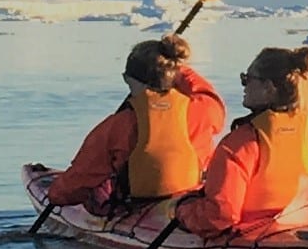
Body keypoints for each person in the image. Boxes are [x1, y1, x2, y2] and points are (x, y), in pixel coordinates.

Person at [184, 44, 308, 238]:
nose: (244, 87)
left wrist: (182, 210)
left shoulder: (239, 144)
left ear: (268, 88)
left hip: (255, 236)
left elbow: (219, 217)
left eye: (247, 79)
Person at [47, 32, 227, 214]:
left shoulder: (117, 125)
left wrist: (55, 195)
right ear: (174, 74)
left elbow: (79, 179)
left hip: (138, 207)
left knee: (101, 186)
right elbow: (205, 91)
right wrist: (180, 69)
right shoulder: (205, 109)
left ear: (128, 78)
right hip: (190, 201)